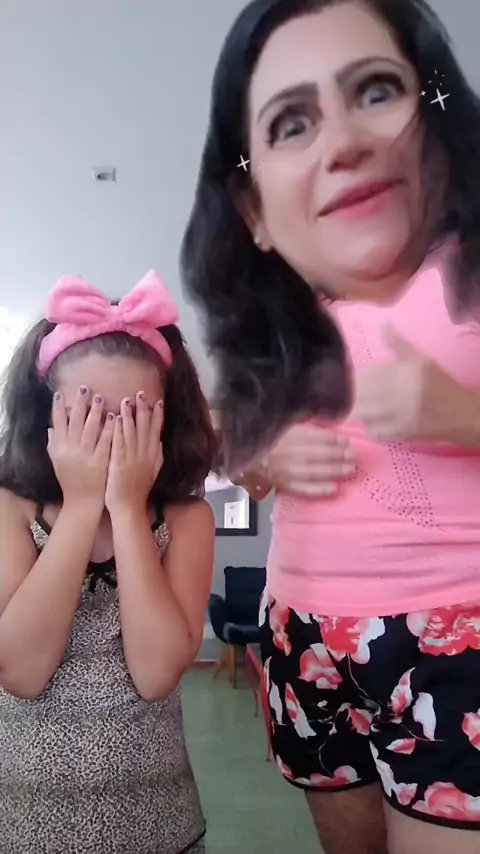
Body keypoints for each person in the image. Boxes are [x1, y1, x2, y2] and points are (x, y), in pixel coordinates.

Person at [180, 1, 480, 853]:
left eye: (375, 92)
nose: (341, 143)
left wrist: (459, 414)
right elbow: (233, 457)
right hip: (302, 630)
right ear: (254, 213)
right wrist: (258, 453)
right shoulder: (270, 322)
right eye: (291, 125)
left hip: (454, 632)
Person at [0, 271, 217, 854]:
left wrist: (125, 507)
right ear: (47, 415)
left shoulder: (186, 520)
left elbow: (156, 674)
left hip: (158, 823)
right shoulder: (10, 509)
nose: (110, 438)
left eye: (134, 418)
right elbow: (20, 671)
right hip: (27, 825)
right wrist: (80, 507)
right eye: (88, 415)